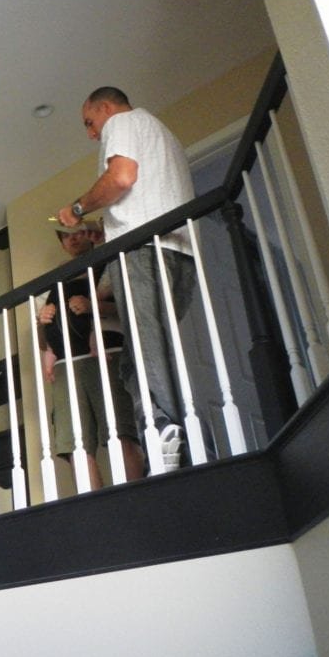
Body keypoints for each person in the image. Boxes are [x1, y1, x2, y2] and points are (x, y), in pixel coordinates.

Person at [56, 87, 196, 470]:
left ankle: (164, 434)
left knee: (145, 354)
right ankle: (180, 442)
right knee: (143, 357)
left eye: (89, 122)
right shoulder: (162, 134)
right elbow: (143, 193)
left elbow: (121, 177)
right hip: (179, 253)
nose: (91, 133)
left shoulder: (122, 121)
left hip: (144, 253)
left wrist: (78, 208)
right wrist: (107, 227)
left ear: (104, 107)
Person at [38, 226, 144, 489]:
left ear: (91, 235)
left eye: (77, 232)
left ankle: (138, 497)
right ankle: (96, 506)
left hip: (106, 355)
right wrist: (43, 319)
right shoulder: (52, 280)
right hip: (65, 365)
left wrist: (93, 306)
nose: (72, 238)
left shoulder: (108, 264)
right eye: (65, 236)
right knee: (75, 444)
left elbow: (132, 307)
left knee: (121, 432)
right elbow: (42, 339)